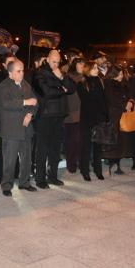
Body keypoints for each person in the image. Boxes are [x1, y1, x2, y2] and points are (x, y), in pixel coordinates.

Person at [32, 50, 76, 188]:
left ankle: (53, 176)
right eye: (53, 61)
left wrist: (62, 79)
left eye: (58, 62)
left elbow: (72, 88)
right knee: (42, 148)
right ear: (47, 59)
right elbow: (46, 92)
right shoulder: (39, 72)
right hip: (45, 116)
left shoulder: (60, 73)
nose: (56, 64)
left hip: (59, 115)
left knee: (55, 148)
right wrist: (62, 89)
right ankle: (40, 179)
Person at [0, 59, 38, 196]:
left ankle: (24, 182)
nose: (22, 73)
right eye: (18, 71)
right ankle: (6, 185)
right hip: (11, 129)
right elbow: (6, 103)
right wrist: (25, 102)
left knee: (27, 158)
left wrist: (30, 115)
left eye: (22, 70)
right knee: (9, 159)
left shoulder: (26, 84)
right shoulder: (3, 86)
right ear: (10, 73)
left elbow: (35, 103)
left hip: (26, 128)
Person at [103, 65, 135, 175]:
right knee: (115, 139)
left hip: (123, 114)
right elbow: (111, 99)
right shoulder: (108, 84)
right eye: (120, 74)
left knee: (122, 139)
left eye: (122, 74)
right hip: (114, 114)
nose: (122, 76)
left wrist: (130, 102)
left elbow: (130, 94)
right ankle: (113, 161)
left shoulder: (123, 83)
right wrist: (124, 105)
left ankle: (118, 162)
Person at [77, 62, 106, 180]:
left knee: (98, 146)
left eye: (97, 68)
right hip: (87, 118)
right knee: (86, 146)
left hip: (98, 118)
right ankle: (84, 170)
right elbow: (87, 100)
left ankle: (98, 170)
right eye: (94, 68)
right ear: (88, 69)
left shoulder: (100, 81)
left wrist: (105, 116)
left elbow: (103, 99)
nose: (96, 70)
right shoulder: (82, 83)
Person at [0, 53, 16, 181]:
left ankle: (14, 172)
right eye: (10, 62)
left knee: (15, 146)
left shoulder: (17, 75)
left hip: (16, 118)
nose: (13, 64)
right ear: (4, 65)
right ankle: (3, 175)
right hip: (3, 118)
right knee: (4, 148)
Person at [63, 57, 85, 174]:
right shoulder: (69, 77)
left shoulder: (85, 78)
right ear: (74, 65)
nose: (82, 66)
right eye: (80, 64)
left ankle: (82, 163)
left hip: (84, 113)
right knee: (72, 141)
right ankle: (71, 164)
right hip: (72, 114)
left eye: (83, 64)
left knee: (82, 141)